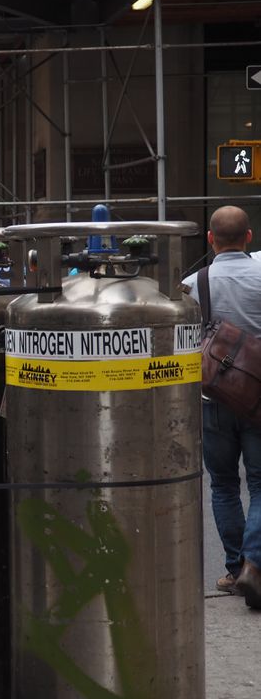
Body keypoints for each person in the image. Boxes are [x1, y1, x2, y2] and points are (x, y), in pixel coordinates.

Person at [183, 205, 261, 606]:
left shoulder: (193, 284)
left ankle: (235, 569)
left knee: (225, 485)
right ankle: (256, 565)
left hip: (212, 398)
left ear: (210, 240)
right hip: (260, 398)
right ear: (249, 236)